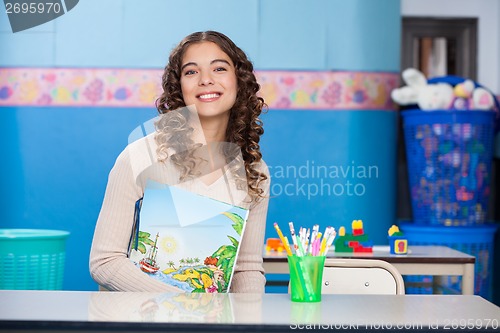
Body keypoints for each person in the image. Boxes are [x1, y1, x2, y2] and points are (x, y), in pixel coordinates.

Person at [89, 31, 270, 293]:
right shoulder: (140, 156)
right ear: (179, 87)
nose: (206, 80)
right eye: (191, 72)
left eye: (219, 68)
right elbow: (104, 262)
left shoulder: (254, 171)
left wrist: (247, 323)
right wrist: (185, 308)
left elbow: (246, 269)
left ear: (239, 82)